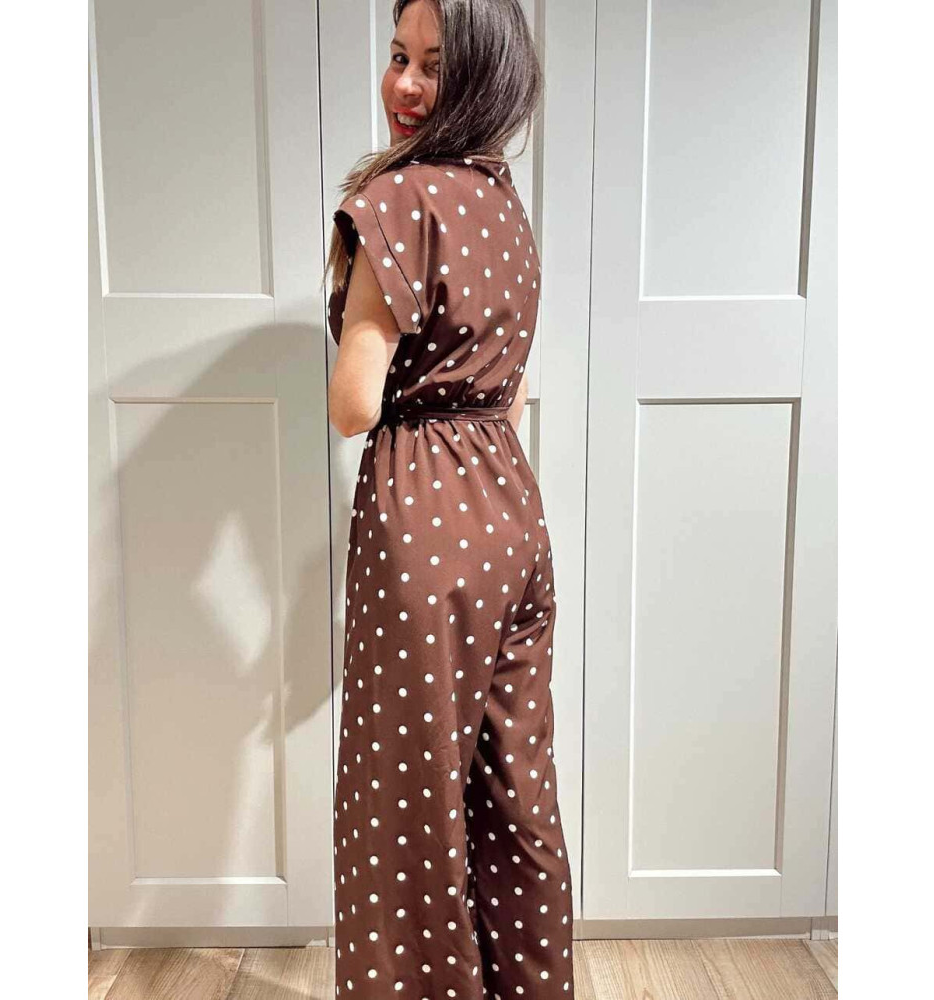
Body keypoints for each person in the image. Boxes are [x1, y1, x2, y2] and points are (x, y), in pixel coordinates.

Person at [322, 2, 574, 997]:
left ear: (479, 77)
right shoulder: (505, 205)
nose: (405, 84)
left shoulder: (398, 200)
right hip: (512, 507)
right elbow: (511, 387)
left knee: (406, 808)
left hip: (422, 513)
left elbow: (354, 405)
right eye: (398, 56)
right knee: (514, 786)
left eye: (433, 64)